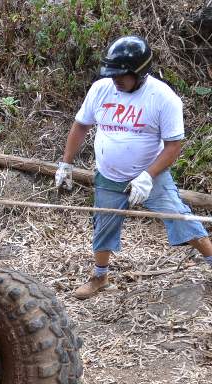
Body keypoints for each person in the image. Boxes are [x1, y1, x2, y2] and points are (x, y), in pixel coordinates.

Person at [55, 35, 212, 300]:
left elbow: (174, 146)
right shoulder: (101, 89)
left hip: (151, 174)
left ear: (139, 72)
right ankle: (99, 276)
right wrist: (65, 164)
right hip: (109, 174)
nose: (116, 79)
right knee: (103, 224)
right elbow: (81, 125)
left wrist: (147, 177)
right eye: (112, 73)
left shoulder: (163, 98)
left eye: (122, 75)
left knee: (180, 217)